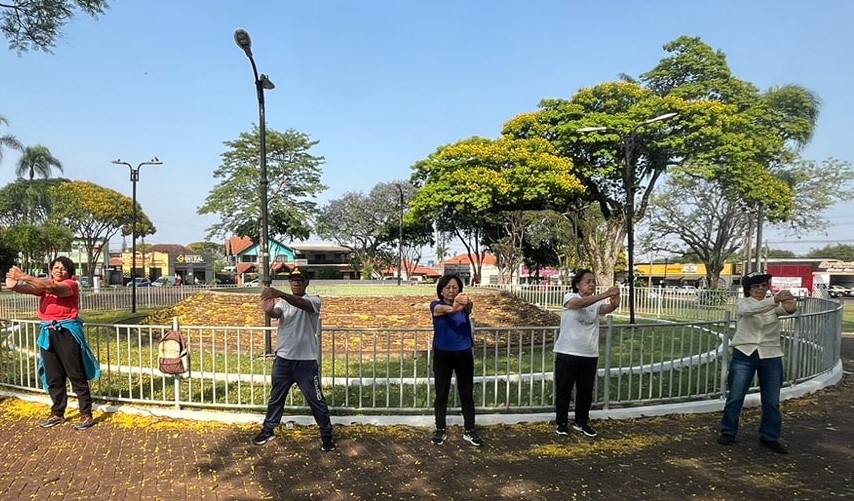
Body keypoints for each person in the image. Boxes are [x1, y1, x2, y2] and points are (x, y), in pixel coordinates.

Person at [5, 257, 100, 430]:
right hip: (47, 332)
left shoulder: (71, 284)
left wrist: (24, 276)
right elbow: (24, 288)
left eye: (63, 269)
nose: (59, 271)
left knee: (75, 373)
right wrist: (13, 283)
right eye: (56, 268)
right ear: (51, 270)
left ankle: (86, 414)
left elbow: (52, 288)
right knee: (53, 375)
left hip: (67, 332)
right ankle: (57, 413)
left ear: (69, 273)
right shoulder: (44, 287)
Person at [253, 268, 336, 452]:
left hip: (306, 362)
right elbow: (275, 313)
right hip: (283, 360)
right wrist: (267, 307)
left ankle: (326, 435)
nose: (296, 283)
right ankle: (268, 430)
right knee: (276, 398)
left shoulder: (314, 300)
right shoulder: (283, 303)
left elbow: (302, 304)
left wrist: (279, 293)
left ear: (306, 282)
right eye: (293, 280)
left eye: (300, 280)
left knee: (316, 400)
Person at [718, 271, 796, 454]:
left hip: (771, 355)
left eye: (763, 285)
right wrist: (775, 300)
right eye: (755, 286)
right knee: (736, 395)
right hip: (745, 354)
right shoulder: (744, 303)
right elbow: (748, 311)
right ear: (748, 289)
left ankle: (770, 436)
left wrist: (790, 304)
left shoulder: (772, 304)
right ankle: (728, 431)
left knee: (772, 400)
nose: (760, 289)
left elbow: (787, 310)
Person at [554, 269, 620, 438]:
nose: (591, 285)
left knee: (585, 391)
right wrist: (605, 294)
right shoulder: (570, 297)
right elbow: (580, 304)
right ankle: (561, 423)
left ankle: (581, 422)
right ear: (578, 284)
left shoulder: (596, 303)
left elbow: (606, 308)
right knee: (564, 389)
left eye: (593, 282)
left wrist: (614, 301)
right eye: (588, 282)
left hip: (589, 353)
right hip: (567, 352)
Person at [429, 274, 482, 447]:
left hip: (464, 353)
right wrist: (457, 306)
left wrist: (468, 302)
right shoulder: (435, 305)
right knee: (441, 393)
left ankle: (470, 430)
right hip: (443, 355)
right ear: (441, 290)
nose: (451, 291)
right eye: (448, 287)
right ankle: (440, 429)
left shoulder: (464, 305)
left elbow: (469, 307)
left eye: (455, 287)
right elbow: (447, 310)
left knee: (466, 393)